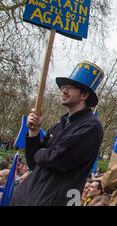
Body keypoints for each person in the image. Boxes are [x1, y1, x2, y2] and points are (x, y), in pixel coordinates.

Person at [10, 62, 104, 206]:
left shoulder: (90, 127)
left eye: (70, 87)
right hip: (27, 199)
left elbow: (57, 159)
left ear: (84, 94)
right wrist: (34, 132)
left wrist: (43, 152)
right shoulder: (58, 126)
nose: (64, 91)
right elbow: (33, 163)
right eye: (63, 87)